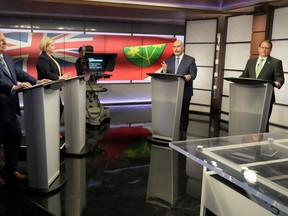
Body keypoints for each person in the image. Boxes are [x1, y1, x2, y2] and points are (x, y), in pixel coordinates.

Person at [0, 32, 48, 184]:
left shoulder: (6, 57)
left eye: (4, 39)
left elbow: (19, 73)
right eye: (0, 40)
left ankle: (11, 170)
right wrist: (14, 87)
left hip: (9, 109)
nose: (4, 42)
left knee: (14, 138)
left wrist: (37, 81)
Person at [240, 39, 285, 132]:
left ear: (270, 50)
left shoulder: (276, 62)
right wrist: (236, 81)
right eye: (262, 47)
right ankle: (248, 144)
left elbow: (280, 77)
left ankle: (263, 144)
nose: (264, 50)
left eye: (267, 48)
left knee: (263, 122)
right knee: (250, 121)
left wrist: (278, 82)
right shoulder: (250, 61)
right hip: (251, 97)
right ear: (258, 48)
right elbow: (244, 75)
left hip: (266, 98)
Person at [161, 40, 197, 140]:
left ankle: (183, 131)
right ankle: (171, 130)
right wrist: (164, 70)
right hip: (171, 91)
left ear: (183, 48)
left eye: (178, 46)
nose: (176, 49)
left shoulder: (190, 60)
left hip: (185, 91)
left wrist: (189, 76)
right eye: (174, 47)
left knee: (183, 112)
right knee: (171, 112)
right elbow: (164, 74)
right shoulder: (169, 60)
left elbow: (193, 74)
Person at [36, 36, 71, 136]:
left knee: (59, 108)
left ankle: (54, 131)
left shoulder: (51, 57)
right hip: (47, 89)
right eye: (52, 45)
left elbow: (54, 71)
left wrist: (63, 76)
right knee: (53, 110)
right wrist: (60, 77)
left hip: (54, 88)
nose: (55, 47)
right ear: (45, 47)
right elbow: (46, 73)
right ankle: (49, 132)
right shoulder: (42, 59)